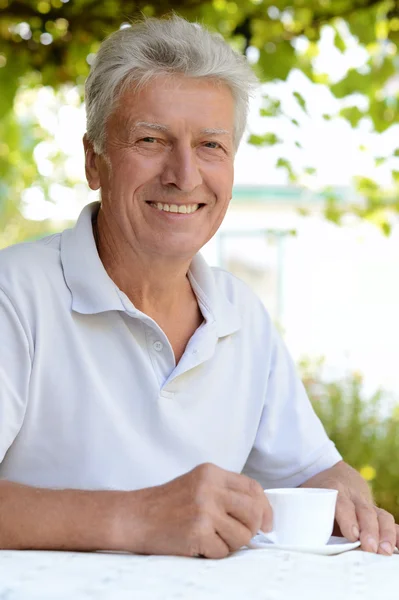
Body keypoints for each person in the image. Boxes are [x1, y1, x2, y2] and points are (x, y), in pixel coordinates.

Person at [0, 15, 397, 559]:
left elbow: (314, 471)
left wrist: (346, 499)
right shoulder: (14, 294)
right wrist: (138, 518)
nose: (184, 175)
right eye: (150, 139)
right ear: (95, 161)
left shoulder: (240, 313)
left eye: (211, 145)